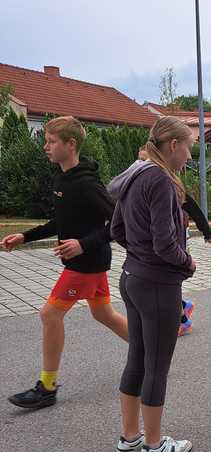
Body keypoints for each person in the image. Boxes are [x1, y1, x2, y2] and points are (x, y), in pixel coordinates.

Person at [2, 116, 127, 410]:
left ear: (71, 145)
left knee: (49, 315)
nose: (45, 147)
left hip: (86, 263)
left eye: (51, 141)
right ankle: (150, 355)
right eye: (45, 141)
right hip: (88, 262)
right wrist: (25, 236)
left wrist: (83, 243)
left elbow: (118, 222)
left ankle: (47, 386)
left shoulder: (86, 184)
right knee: (104, 315)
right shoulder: (62, 179)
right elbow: (62, 220)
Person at [111, 117, 195, 452]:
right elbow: (165, 244)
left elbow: (116, 229)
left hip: (131, 278)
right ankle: (156, 444)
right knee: (156, 367)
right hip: (158, 285)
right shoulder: (159, 180)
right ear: (173, 145)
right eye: (189, 146)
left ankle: (130, 437)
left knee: (137, 359)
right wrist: (188, 262)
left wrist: (139, 255)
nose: (190, 155)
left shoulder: (135, 173)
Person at [107, 148, 211, 336]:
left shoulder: (167, 184)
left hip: (164, 252)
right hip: (153, 269)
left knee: (172, 276)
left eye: (144, 159)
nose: (141, 164)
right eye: (139, 160)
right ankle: (182, 310)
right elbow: (117, 229)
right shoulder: (149, 182)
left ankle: (181, 315)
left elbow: (193, 209)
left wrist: (207, 232)